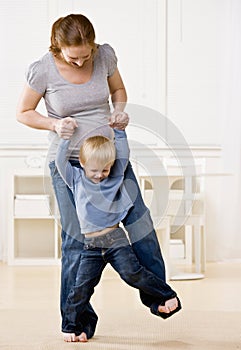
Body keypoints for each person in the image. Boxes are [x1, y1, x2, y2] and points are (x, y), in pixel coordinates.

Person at [16, 14, 180, 340]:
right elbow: (23, 112)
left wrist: (119, 110)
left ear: (93, 44)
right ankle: (76, 322)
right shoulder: (42, 69)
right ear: (57, 47)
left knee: (141, 224)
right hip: (70, 167)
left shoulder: (104, 55)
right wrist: (53, 125)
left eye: (85, 54)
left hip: (111, 160)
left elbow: (118, 89)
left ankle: (158, 296)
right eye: (72, 56)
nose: (80, 60)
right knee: (76, 242)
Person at [56, 127, 181, 342]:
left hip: (116, 241)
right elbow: (60, 162)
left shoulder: (113, 179)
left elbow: (123, 157)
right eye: (94, 170)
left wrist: (120, 133)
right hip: (91, 246)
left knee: (134, 274)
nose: (99, 175)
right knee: (81, 287)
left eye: (105, 170)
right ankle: (70, 326)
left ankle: (166, 294)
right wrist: (65, 140)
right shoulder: (76, 179)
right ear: (83, 165)